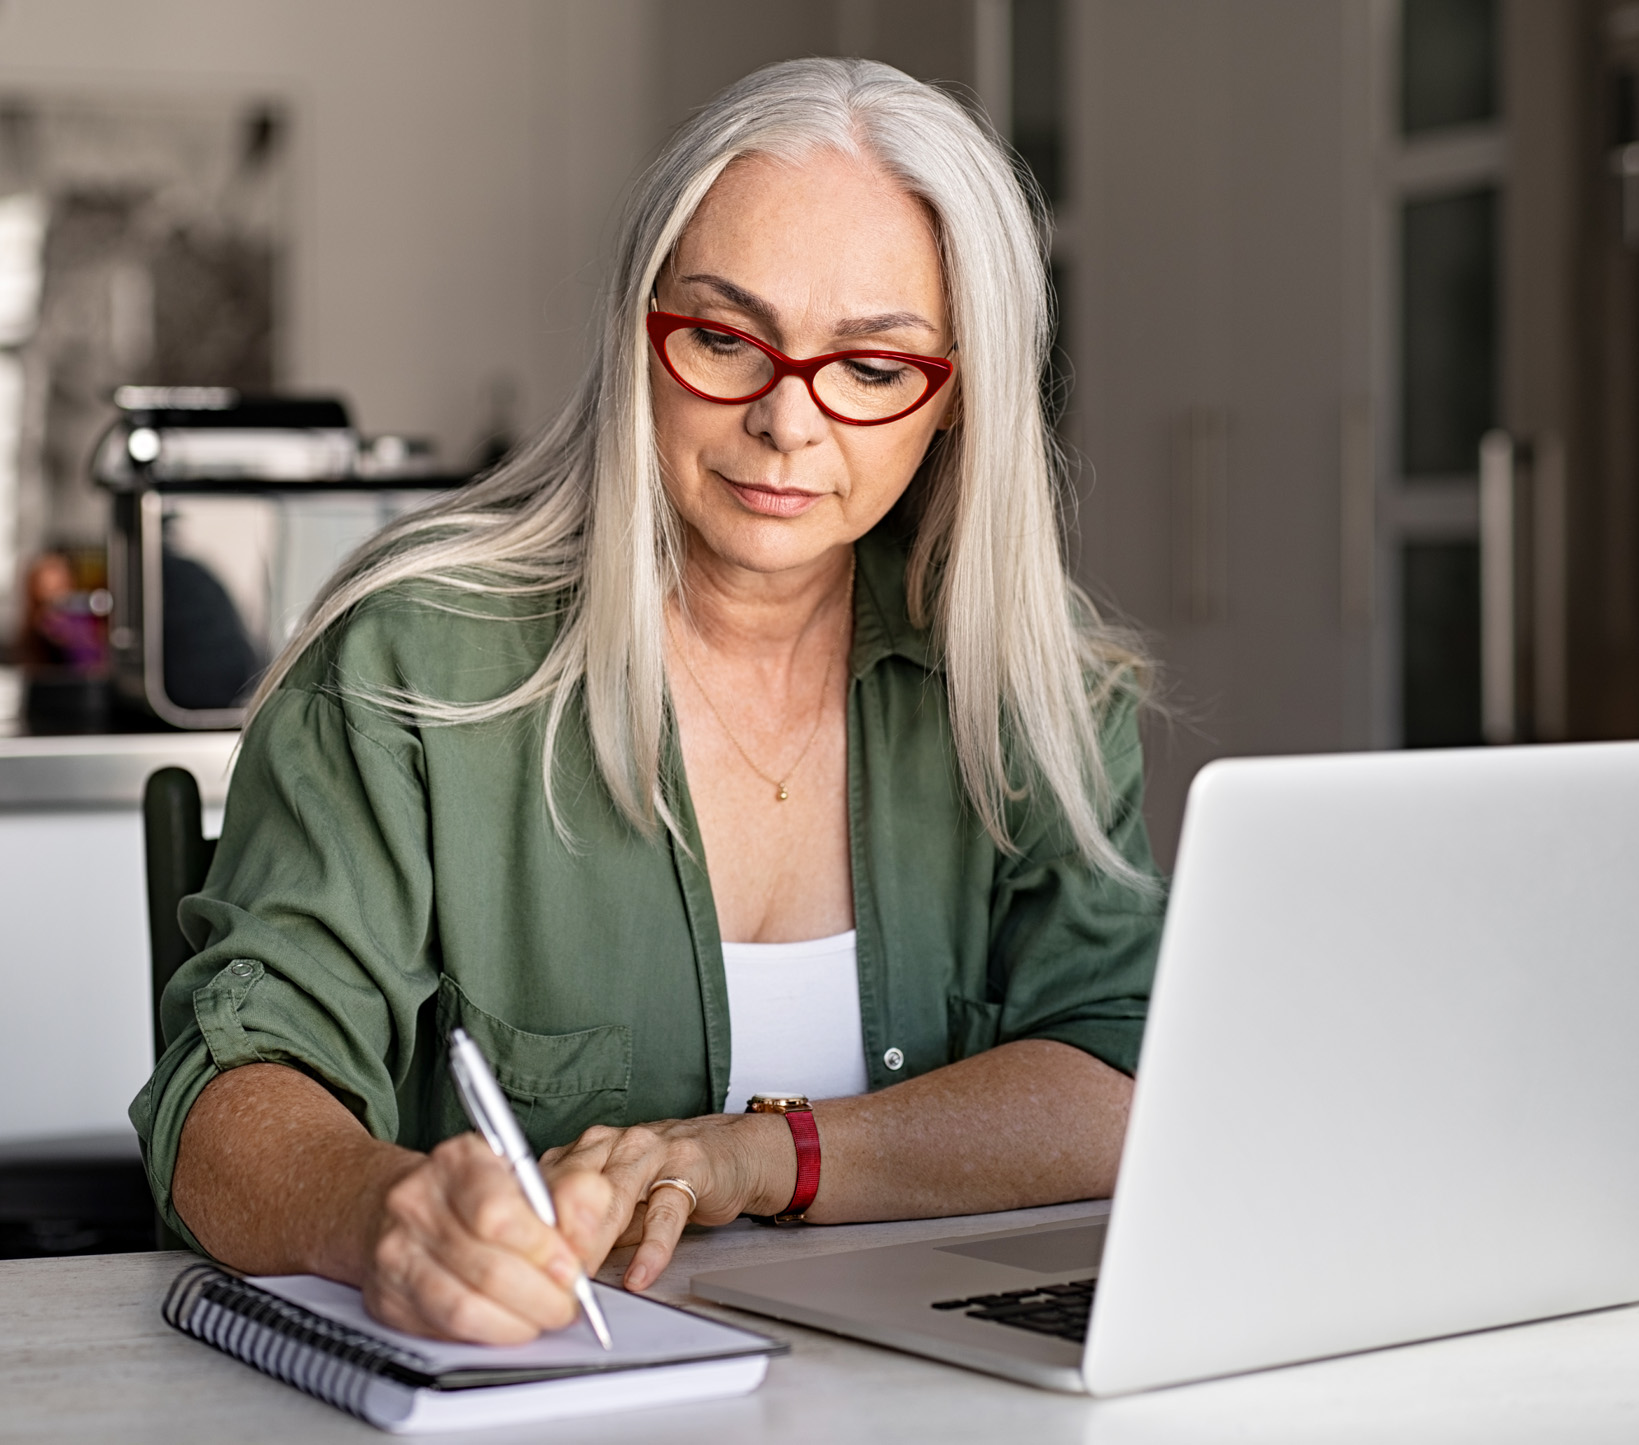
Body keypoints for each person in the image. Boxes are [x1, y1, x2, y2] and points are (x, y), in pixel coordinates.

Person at [131, 57, 1163, 1346]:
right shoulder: (411, 658)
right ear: (639, 335)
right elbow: (229, 1093)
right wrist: (383, 1213)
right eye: (727, 339)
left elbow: (1120, 1076)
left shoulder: (1035, 681)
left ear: (955, 402)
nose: (790, 421)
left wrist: (752, 1157)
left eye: (874, 366)